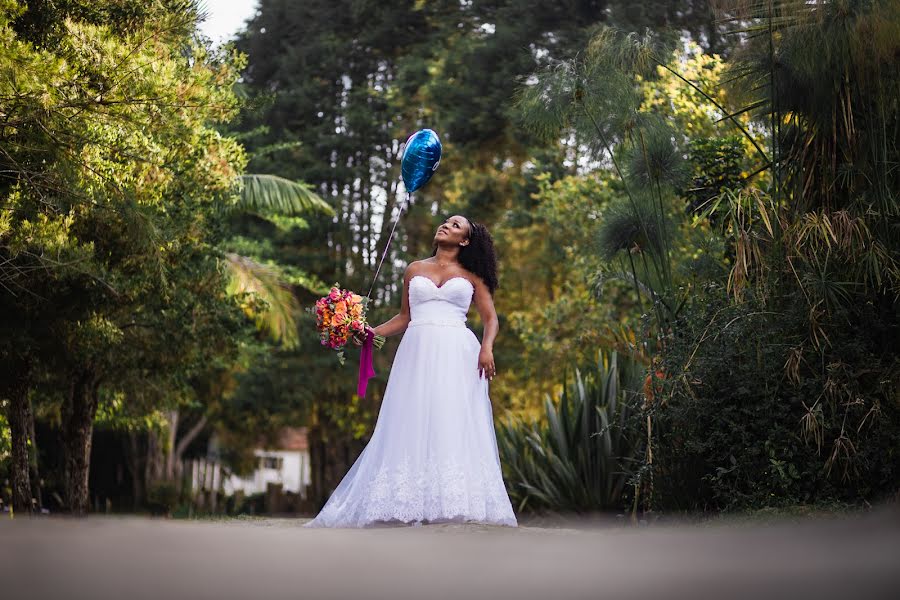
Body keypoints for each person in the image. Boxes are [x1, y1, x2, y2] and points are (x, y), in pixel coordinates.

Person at [304, 215, 518, 528]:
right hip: (417, 348)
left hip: (458, 351)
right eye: (445, 221)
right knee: (411, 415)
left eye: (455, 225)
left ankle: (453, 499)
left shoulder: (473, 274)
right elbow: (404, 317)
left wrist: (487, 348)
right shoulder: (414, 269)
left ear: (465, 241)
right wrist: (371, 332)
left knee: (451, 416)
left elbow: (491, 319)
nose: (446, 225)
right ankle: (406, 500)